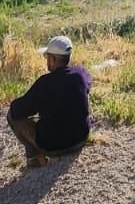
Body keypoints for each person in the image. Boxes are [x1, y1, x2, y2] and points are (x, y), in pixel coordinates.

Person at [7, 34, 92, 166]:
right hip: (81, 138)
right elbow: (87, 86)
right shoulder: (80, 74)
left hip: (53, 146)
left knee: (12, 117)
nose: (47, 61)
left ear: (52, 58)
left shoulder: (44, 83)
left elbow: (17, 111)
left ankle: (36, 159)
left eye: (47, 57)